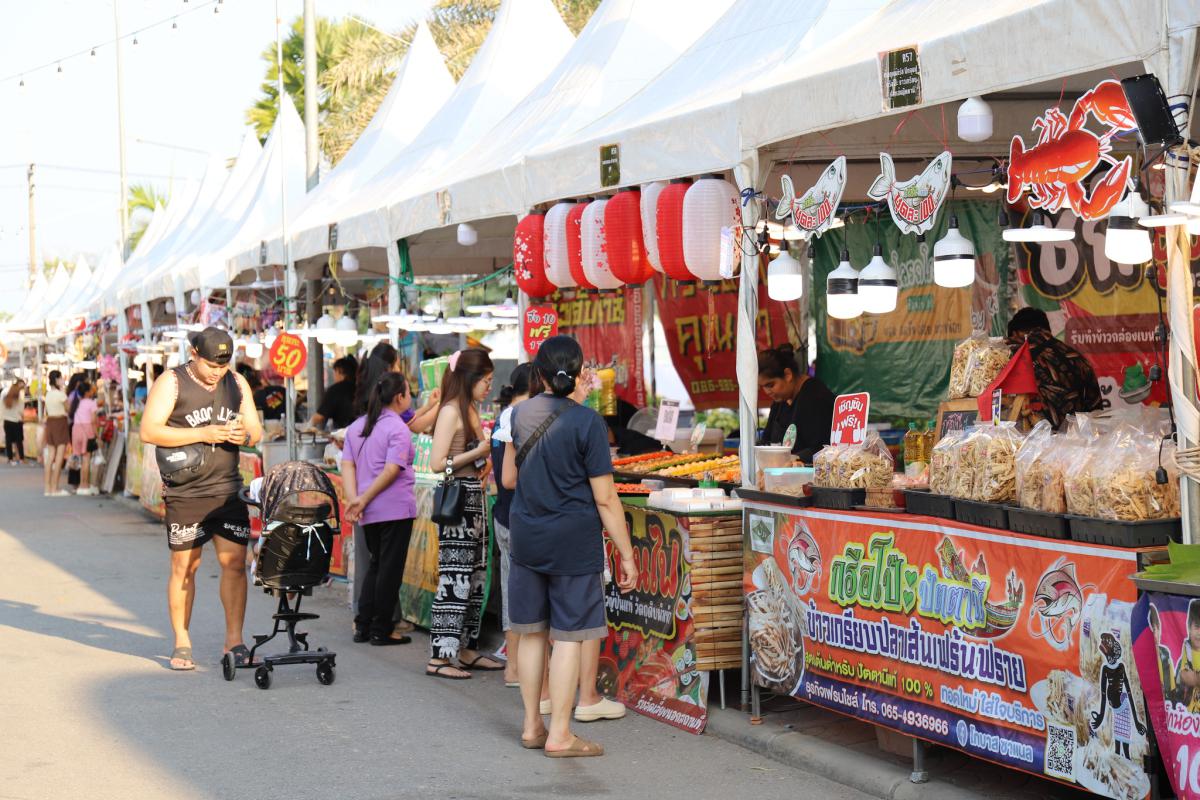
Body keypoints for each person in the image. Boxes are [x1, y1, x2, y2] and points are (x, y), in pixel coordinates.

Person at [502, 335, 639, 757]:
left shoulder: (517, 414)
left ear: (538, 373)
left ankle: (532, 726)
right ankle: (560, 734)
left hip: (527, 535)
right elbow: (606, 498)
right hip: (573, 541)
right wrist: (627, 554)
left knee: (531, 632)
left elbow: (510, 478)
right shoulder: (588, 422)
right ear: (580, 374)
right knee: (570, 636)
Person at [140, 327, 263, 672]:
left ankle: (234, 641)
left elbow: (256, 430)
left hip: (226, 488)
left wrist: (243, 434)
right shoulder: (172, 382)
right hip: (186, 491)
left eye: (223, 366)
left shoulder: (236, 382)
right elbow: (149, 430)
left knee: (234, 564)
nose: (217, 372)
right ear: (194, 354)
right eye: (211, 365)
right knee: (185, 567)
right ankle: (182, 641)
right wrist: (203, 433)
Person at [426, 348, 502, 679]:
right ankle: (440, 656)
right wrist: (477, 453)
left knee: (474, 578)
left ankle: (466, 648)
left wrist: (482, 460)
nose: (489, 387)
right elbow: (437, 464)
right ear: (470, 378)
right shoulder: (449, 411)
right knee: (454, 579)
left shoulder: (469, 408)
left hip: (474, 499)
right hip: (458, 502)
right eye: (486, 380)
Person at [340, 371, 416, 646]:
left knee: (376, 565)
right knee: (389, 570)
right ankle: (381, 630)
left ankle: (363, 625)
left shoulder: (356, 427)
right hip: (394, 508)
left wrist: (356, 499)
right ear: (399, 397)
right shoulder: (397, 428)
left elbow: (347, 465)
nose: (410, 397)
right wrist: (361, 500)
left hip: (369, 509)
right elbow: (392, 470)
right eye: (409, 392)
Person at [492, 364, 544, 686]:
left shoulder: (503, 418)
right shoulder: (523, 418)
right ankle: (521, 669)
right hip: (520, 518)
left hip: (504, 515)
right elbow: (511, 478)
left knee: (511, 593)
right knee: (526, 598)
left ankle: (513, 667)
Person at [1006, 307, 1102, 430]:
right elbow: (1096, 415)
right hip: (1072, 439)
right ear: (1048, 329)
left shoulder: (1005, 357)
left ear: (1015, 334)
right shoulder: (1078, 360)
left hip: (1018, 439)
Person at [758, 344, 835, 463]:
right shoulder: (780, 400)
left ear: (788, 375)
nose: (767, 391)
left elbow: (822, 448)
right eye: (763, 387)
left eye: (770, 385)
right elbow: (766, 441)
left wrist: (794, 459)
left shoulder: (816, 397)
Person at [310, 355, 358, 431]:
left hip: (343, 433)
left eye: (335, 372)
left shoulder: (336, 390)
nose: (334, 375)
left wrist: (308, 424)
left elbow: (319, 417)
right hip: (363, 432)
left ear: (340, 371)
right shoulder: (361, 387)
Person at [43, 370, 71, 496]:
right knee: (59, 457)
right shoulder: (61, 395)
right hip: (60, 423)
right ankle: (55, 488)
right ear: (57, 380)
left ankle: (47, 488)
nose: (62, 380)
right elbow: (68, 409)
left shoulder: (48, 394)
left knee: (50, 457)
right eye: (61, 378)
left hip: (50, 423)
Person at [70, 381, 100, 496]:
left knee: (79, 458)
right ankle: (85, 485)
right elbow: (93, 421)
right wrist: (97, 435)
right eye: (91, 390)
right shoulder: (92, 403)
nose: (93, 391)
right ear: (87, 392)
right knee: (86, 458)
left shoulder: (77, 403)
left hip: (76, 430)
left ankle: (80, 485)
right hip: (86, 430)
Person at [4, 379, 27, 465]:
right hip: (16, 421)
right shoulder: (19, 397)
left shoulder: (6, 397)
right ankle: (21, 458)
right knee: (19, 440)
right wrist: (23, 418)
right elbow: (21, 411)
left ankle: (10, 458)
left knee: (8, 440)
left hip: (7, 421)